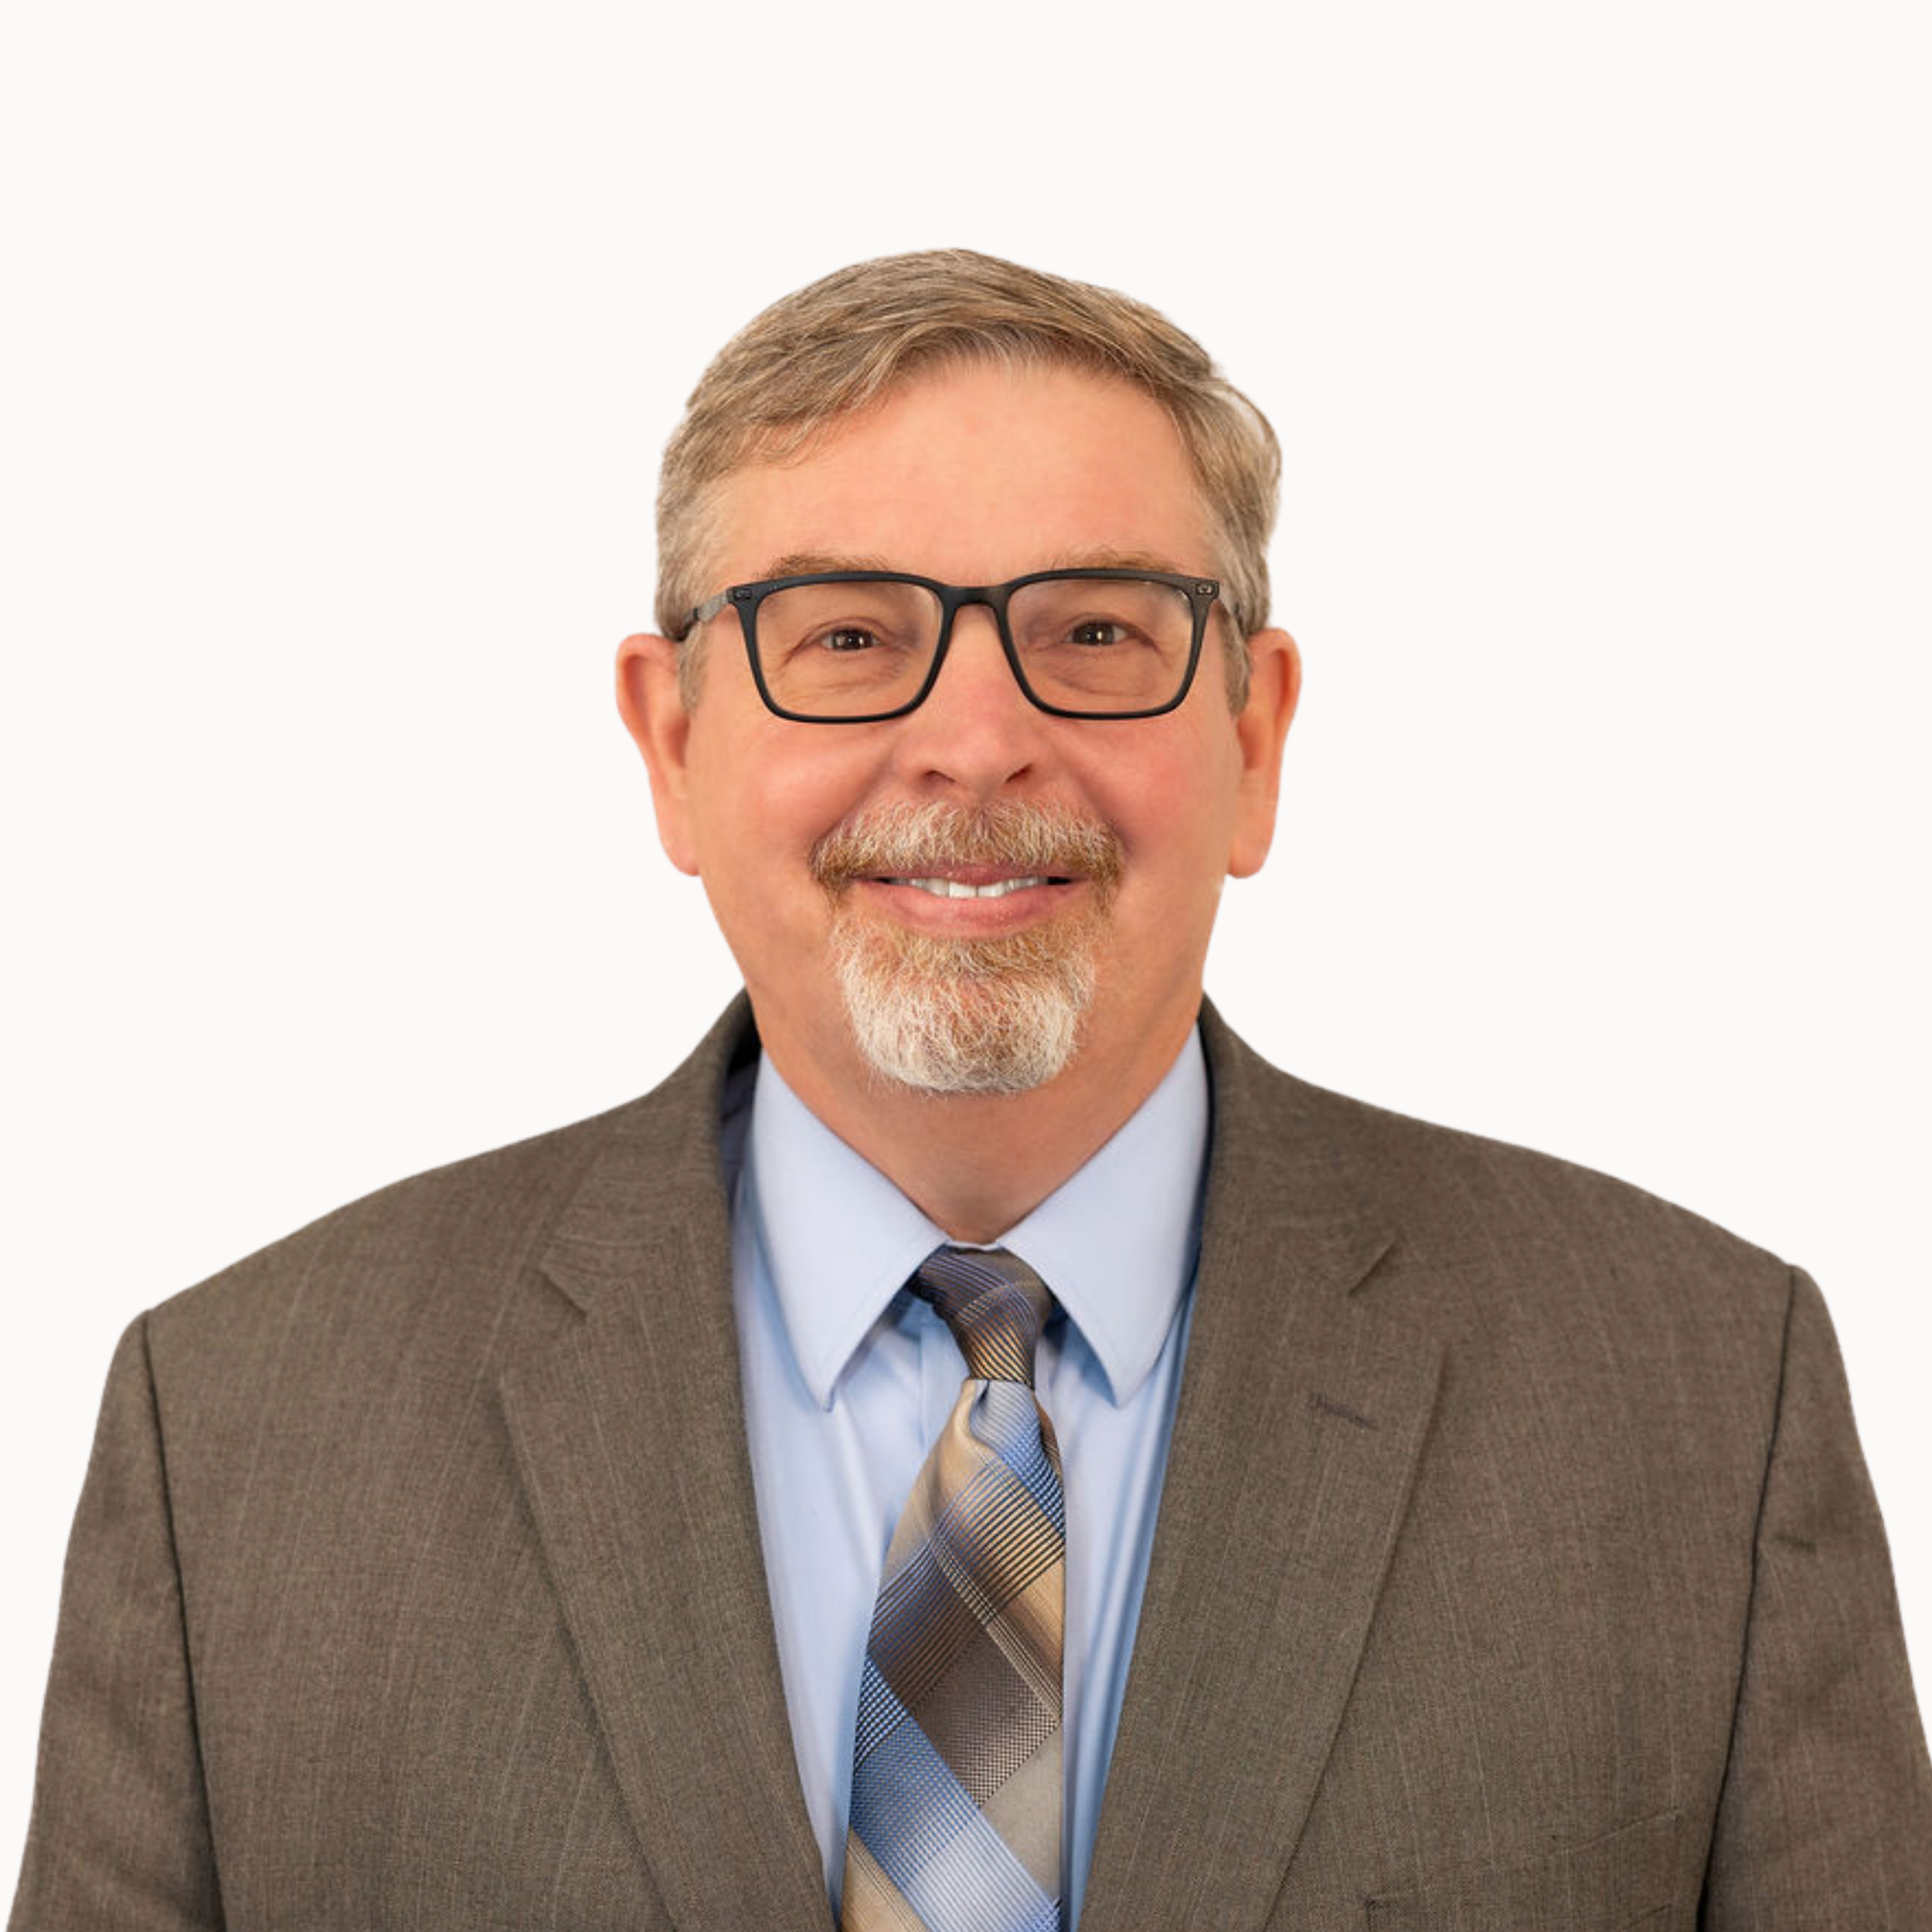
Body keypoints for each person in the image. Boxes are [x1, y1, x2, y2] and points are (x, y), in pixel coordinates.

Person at [10, 249, 1929, 1931]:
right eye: (847, 637)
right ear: (670, 743)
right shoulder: (239, 1435)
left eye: (1093, 630)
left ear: (1251, 736)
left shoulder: (1696, 1396)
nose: (973, 736)